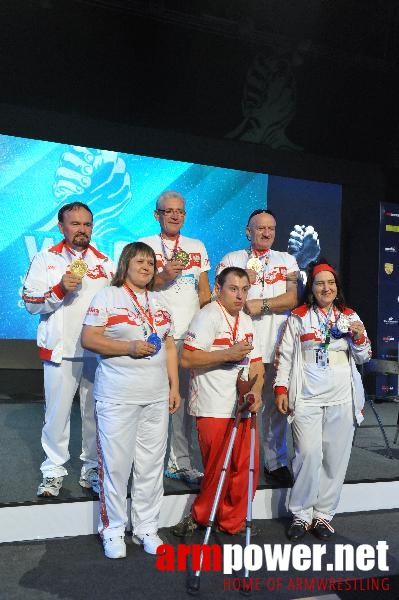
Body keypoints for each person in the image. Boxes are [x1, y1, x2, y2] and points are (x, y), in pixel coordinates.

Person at [81, 242, 180, 559]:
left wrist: (174, 386)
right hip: (117, 397)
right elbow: (89, 338)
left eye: (151, 262)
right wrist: (129, 348)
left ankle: (147, 527)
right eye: (140, 261)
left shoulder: (160, 301)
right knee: (117, 466)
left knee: (151, 467)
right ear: (125, 264)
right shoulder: (107, 296)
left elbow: (170, 346)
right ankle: (112, 531)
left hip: (155, 397)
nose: (147, 266)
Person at [274, 260, 371, 541]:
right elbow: (285, 357)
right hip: (306, 397)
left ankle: (323, 515)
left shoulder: (350, 316)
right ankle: (301, 514)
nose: (326, 288)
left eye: (330, 283)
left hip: (342, 397)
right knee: (308, 453)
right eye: (320, 283)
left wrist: (360, 336)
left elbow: (364, 356)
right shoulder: (299, 316)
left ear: (336, 287)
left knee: (335, 458)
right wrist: (281, 389)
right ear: (311, 288)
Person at [22, 201, 114, 497]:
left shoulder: (105, 263)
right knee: (57, 414)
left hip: (96, 352)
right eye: (75, 224)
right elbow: (30, 303)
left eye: (87, 224)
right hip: (60, 350)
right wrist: (60, 288)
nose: (82, 229)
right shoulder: (45, 259)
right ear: (61, 227)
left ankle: (91, 469)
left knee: (94, 414)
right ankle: (52, 470)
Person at [171, 267, 264, 537]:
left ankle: (232, 521)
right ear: (218, 289)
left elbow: (256, 365)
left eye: (244, 290)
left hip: (242, 405)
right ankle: (201, 516)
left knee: (244, 467)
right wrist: (228, 354)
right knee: (217, 467)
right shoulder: (207, 316)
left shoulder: (246, 321)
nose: (239, 295)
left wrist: (257, 391)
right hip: (212, 405)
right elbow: (187, 359)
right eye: (233, 289)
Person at [216, 209, 299, 486]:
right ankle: (233, 459)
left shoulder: (286, 260)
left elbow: (291, 299)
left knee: (276, 406)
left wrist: (261, 305)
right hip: (242, 344)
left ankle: (275, 462)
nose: (266, 233)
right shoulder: (232, 259)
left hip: (278, 344)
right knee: (237, 403)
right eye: (260, 228)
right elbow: (222, 297)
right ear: (248, 231)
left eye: (271, 228)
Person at [140, 191, 211, 484]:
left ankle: (179, 462)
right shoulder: (144, 245)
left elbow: (204, 292)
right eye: (168, 211)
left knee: (180, 404)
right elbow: (137, 283)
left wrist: (211, 328)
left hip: (189, 336)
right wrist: (164, 276)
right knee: (152, 400)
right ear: (157, 215)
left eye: (179, 211)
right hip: (155, 336)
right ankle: (146, 463)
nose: (174, 215)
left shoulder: (196, 246)